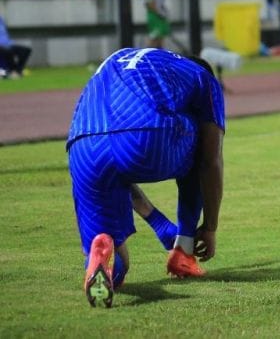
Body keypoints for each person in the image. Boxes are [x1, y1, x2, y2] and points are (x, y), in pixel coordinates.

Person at [67, 47, 225, 307]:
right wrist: (209, 227)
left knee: (119, 263)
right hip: (144, 138)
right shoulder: (203, 77)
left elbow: (119, 161)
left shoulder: (130, 58)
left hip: (83, 146)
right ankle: (184, 252)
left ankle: (103, 256)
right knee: (203, 143)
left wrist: (159, 224)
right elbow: (210, 161)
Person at [0, 11, 32, 78]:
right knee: (7, 51)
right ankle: (13, 71)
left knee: (26, 50)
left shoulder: (1, 20)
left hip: (8, 44)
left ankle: (18, 71)